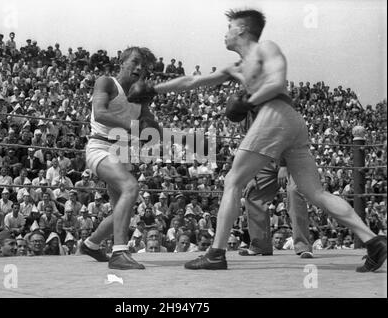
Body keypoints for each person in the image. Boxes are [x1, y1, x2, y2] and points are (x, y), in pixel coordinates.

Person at [128, 8, 386, 272]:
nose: (224, 34)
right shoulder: (236, 67)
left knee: (233, 180)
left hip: (275, 112)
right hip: (291, 121)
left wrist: (248, 101)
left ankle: (216, 253)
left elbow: (275, 82)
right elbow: (193, 81)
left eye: (228, 28)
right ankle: (373, 240)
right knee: (316, 193)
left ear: (241, 29)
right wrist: (153, 89)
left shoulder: (266, 49)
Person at [79, 46, 157, 270]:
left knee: (122, 210)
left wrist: (155, 130)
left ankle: (91, 244)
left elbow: (150, 126)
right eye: (135, 62)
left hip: (123, 152)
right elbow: (100, 112)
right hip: (100, 146)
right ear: (122, 62)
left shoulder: (140, 96)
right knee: (131, 187)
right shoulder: (107, 82)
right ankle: (119, 253)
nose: (139, 68)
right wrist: (135, 127)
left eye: (144, 66)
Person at [240, 163, 313, 258]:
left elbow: (294, 147)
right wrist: (251, 176)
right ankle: (260, 245)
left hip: (293, 158)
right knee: (252, 193)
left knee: (294, 192)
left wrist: (284, 166)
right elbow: (249, 150)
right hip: (267, 161)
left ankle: (303, 247)